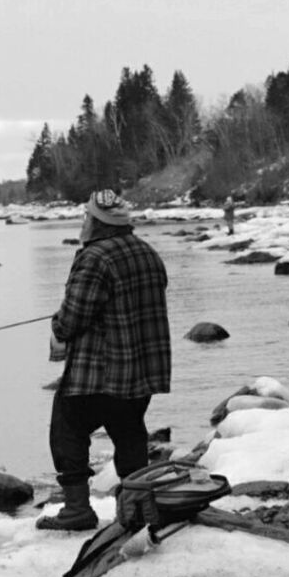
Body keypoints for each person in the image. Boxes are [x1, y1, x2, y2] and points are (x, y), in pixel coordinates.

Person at [38, 189, 172, 531]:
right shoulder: (148, 253)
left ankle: (77, 510)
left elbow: (71, 320)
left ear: (97, 223)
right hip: (141, 373)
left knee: (67, 430)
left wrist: (55, 324)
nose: (83, 222)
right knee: (129, 433)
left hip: (99, 373)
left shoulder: (94, 257)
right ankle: (135, 507)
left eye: (86, 217)